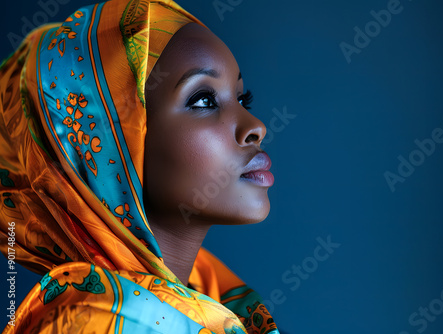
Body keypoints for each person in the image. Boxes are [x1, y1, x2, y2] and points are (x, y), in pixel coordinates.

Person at [0, 0, 279, 333]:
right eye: (203, 100)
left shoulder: (223, 301)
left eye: (241, 98)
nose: (255, 126)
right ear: (109, 149)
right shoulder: (90, 324)